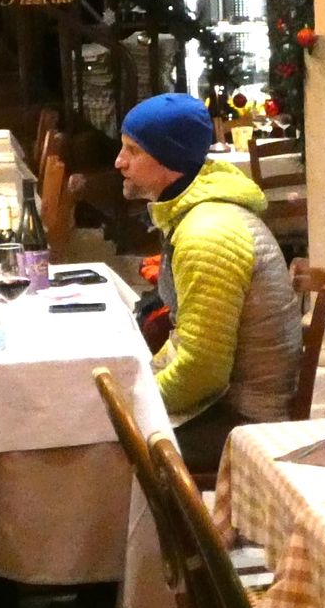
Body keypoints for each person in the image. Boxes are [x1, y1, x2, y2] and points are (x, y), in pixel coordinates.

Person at [116, 92, 302, 473]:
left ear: (168, 160)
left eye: (133, 150)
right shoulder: (196, 216)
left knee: (105, 444)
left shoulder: (207, 233)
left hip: (243, 421)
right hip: (225, 405)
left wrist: (132, 403)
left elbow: (202, 371)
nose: (119, 162)